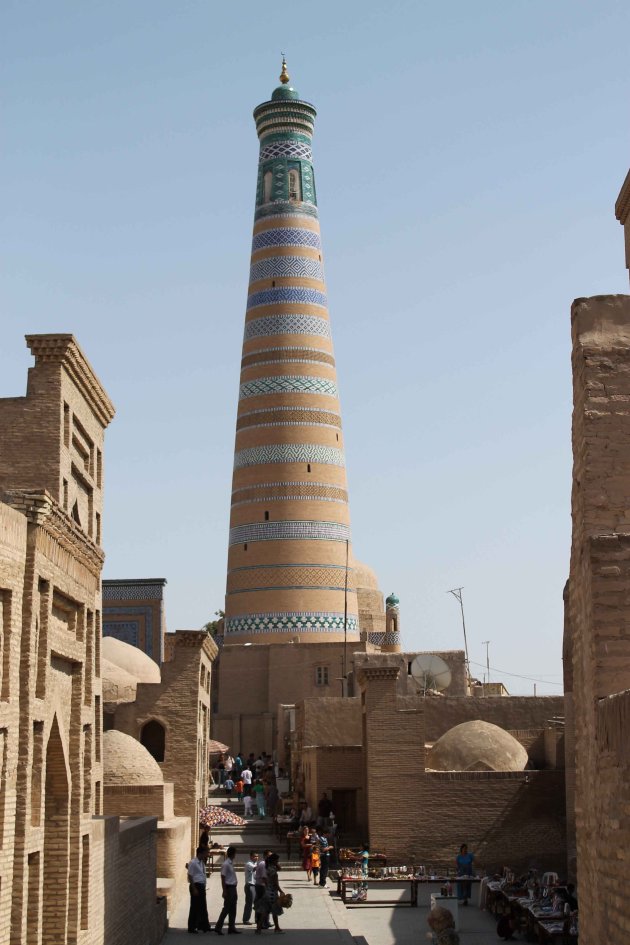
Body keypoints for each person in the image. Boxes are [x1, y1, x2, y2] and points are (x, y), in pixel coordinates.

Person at [255, 853, 285, 935]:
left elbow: (279, 869)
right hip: (273, 893)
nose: (278, 861)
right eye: (277, 860)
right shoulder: (273, 870)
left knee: (265, 910)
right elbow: (276, 883)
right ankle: (277, 928)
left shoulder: (268, 867)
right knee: (273, 911)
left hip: (267, 891)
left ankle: (259, 928)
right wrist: (281, 891)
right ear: (274, 861)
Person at [214, 845, 240, 935]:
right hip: (229, 888)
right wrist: (224, 890)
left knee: (233, 908)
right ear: (233, 854)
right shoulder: (226, 864)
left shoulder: (230, 863)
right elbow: (223, 877)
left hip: (233, 888)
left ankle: (231, 927)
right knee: (226, 908)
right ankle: (218, 927)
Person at [187, 846, 211, 934]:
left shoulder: (201, 862)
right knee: (194, 907)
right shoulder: (193, 862)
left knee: (203, 906)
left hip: (201, 886)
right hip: (196, 886)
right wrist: (194, 888)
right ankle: (191, 927)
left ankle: (204, 926)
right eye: (205, 853)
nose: (207, 855)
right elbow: (190, 875)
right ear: (200, 853)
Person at [242, 851, 258, 925]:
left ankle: (257, 919)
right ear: (251, 857)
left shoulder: (256, 863)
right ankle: (246, 919)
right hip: (250, 885)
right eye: (255, 856)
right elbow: (254, 869)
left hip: (255, 885)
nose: (256, 858)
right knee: (249, 903)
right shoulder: (249, 864)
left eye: (257, 856)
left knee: (257, 903)